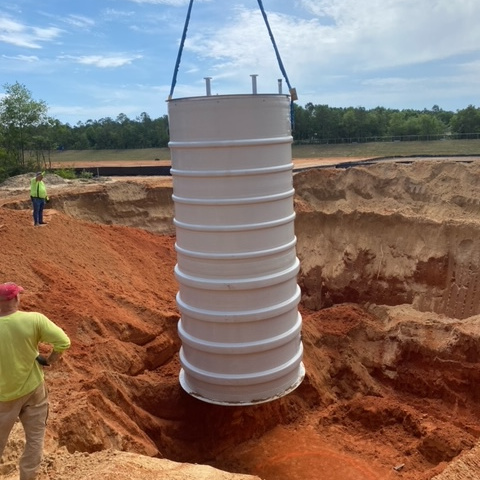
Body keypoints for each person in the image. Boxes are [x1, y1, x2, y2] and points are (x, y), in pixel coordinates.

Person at [0, 282, 70, 480]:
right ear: (15, 298)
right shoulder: (34, 320)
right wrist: (49, 360)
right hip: (33, 390)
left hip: (3, 397)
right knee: (35, 440)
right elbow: (64, 342)